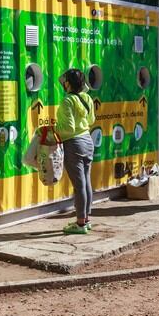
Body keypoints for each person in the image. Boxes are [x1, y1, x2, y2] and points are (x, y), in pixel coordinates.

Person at [56, 68, 96, 234]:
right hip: (88, 141)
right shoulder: (86, 97)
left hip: (74, 144)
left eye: (65, 81)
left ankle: (80, 224)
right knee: (86, 182)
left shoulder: (67, 101)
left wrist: (55, 129)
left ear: (68, 84)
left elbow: (69, 128)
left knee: (79, 185)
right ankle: (86, 220)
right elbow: (91, 120)